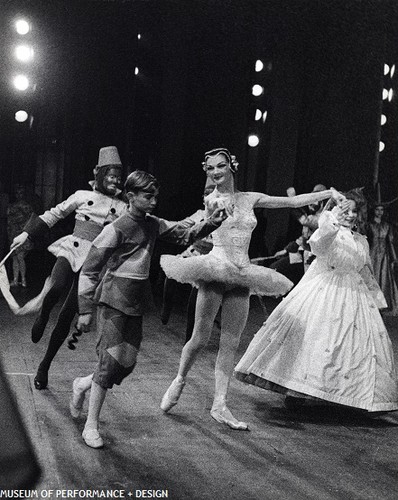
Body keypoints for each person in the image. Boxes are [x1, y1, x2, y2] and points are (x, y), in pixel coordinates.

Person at [159, 147, 340, 430]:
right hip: (216, 268)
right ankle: (180, 377)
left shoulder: (250, 198)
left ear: (232, 166)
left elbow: (291, 204)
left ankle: (220, 404)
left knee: (231, 342)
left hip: (242, 272)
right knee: (200, 338)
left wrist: (327, 194)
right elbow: (211, 211)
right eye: (210, 168)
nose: (216, 172)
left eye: (220, 166)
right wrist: (217, 208)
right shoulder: (212, 199)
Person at [69, 170, 227, 448]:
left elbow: (183, 234)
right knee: (108, 364)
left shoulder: (153, 224)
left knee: (125, 365)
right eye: (147, 196)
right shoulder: (115, 228)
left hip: (136, 300)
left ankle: (83, 383)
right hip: (112, 299)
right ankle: (91, 425)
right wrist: (84, 309)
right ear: (131, 196)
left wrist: (212, 222)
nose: (153, 201)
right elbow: (90, 268)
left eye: (156, 196)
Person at [235, 192, 398, 413]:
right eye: (345, 210)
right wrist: (332, 217)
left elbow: (365, 270)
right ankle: (298, 390)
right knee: (318, 340)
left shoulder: (361, 240)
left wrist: (377, 300)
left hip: (354, 295)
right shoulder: (329, 231)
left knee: (355, 346)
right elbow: (319, 245)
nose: (350, 215)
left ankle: (345, 395)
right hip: (326, 290)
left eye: (354, 211)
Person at [10, 146, 128, 390]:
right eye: (109, 175)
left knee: (66, 317)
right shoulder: (81, 195)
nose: (114, 180)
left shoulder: (124, 207)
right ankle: (43, 313)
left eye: (118, 176)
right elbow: (53, 214)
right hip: (72, 250)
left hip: (95, 265)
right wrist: (26, 234)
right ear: (99, 174)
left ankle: (44, 367)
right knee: (55, 287)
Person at [160, 178, 215, 343]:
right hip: (193, 251)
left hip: (210, 258)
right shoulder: (199, 214)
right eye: (206, 194)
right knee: (170, 273)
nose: (209, 198)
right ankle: (166, 308)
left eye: (213, 194)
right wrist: (163, 225)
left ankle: (189, 338)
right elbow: (182, 225)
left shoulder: (224, 216)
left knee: (196, 299)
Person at [367, 204, 398, 316]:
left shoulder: (387, 226)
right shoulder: (369, 225)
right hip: (372, 255)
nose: (380, 212)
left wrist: (393, 258)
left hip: (384, 256)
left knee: (384, 279)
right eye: (377, 209)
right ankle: (371, 304)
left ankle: (382, 305)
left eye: (382, 210)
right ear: (373, 211)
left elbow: (390, 242)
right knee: (373, 277)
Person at [7, 184, 35, 287]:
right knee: (15, 257)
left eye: (21, 193)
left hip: (22, 234)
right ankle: (15, 279)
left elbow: (31, 219)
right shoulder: (12, 205)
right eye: (17, 193)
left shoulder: (27, 206)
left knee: (20, 257)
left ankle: (23, 279)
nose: (19, 195)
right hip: (13, 233)